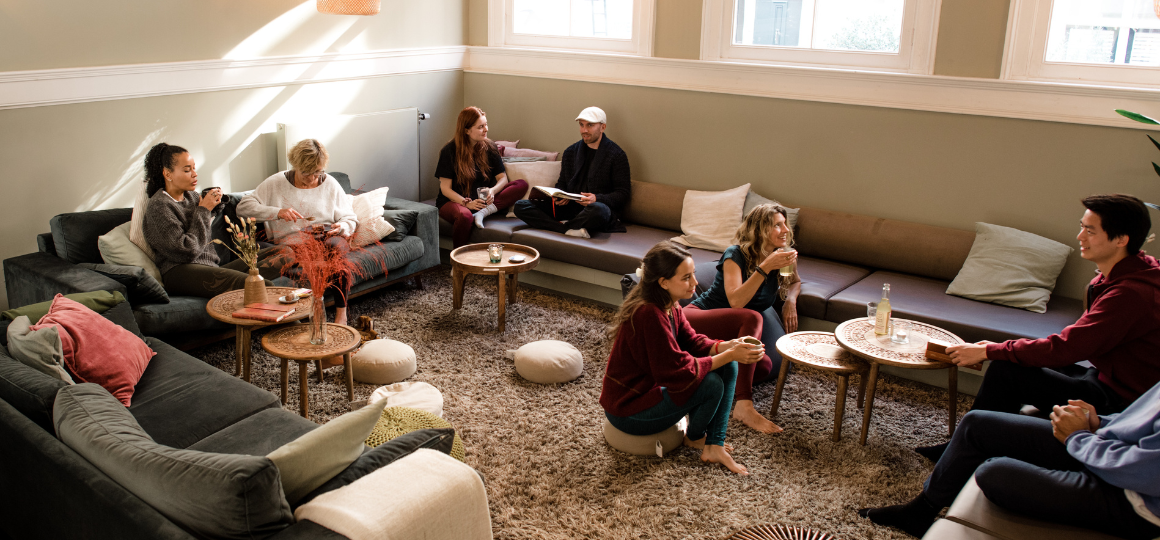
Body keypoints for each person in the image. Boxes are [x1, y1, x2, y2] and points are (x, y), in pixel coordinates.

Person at [918, 194, 1160, 461]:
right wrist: (997, 350)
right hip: (1103, 377)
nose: (1080, 236)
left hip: (1119, 401)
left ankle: (965, 450)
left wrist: (991, 351)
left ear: (1121, 239)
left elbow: (1068, 347)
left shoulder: (1131, 295)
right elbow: (1076, 341)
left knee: (1005, 370)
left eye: (1090, 231)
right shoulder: (1132, 271)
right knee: (1010, 364)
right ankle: (972, 444)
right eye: (1082, 226)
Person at [858, 380, 1160, 540]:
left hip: (1132, 501)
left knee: (992, 472)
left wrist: (1077, 439)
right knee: (977, 425)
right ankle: (920, 512)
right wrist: (1099, 423)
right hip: (1105, 451)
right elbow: (1140, 422)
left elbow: (1147, 472)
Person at [600, 240, 766, 475]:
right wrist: (729, 353)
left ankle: (713, 445)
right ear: (663, 282)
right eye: (686, 277)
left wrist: (727, 346)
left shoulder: (670, 304)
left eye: (693, 274)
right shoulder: (648, 314)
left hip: (648, 393)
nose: (695, 283)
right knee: (711, 383)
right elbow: (678, 372)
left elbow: (693, 341)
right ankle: (698, 438)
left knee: (729, 366)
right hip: (628, 410)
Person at [687, 204, 800, 434]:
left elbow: (795, 282)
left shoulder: (783, 257)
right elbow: (736, 301)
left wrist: (790, 301)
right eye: (777, 225)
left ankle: (700, 375)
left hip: (731, 333)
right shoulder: (735, 254)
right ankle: (744, 405)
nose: (785, 229)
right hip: (699, 317)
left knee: (764, 365)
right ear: (760, 230)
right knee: (753, 317)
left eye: (785, 223)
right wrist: (765, 267)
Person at [237, 139, 357, 327]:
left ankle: (341, 315)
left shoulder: (330, 184)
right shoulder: (276, 182)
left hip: (326, 238)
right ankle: (310, 306)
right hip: (292, 243)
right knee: (313, 260)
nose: (312, 178)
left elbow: (350, 218)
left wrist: (340, 227)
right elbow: (243, 208)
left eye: (317, 172)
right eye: (306, 173)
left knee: (337, 252)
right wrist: (277, 212)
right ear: (295, 166)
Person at [141, 143, 282, 299]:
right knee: (262, 286)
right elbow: (187, 251)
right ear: (168, 174)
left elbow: (200, 224)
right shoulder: (159, 206)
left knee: (283, 253)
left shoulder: (192, 196)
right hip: (180, 272)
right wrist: (204, 209)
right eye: (187, 170)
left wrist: (215, 203)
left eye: (194, 168)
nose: (194, 174)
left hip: (210, 267)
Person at [513, 106, 630, 239]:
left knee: (599, 210)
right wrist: (559, 195)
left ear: (602, 127)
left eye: (590, 125)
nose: (584, 130)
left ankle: (561, 227)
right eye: (581, 125)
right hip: (569, 208)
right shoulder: (570, 152)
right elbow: (562, 183)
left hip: (593, 210)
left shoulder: (616, 155)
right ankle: (568, 229)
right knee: (520, 206)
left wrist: (596, 198)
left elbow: (623, 193)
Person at [435, 106, 528, 248]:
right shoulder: (449, 151)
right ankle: (458, 263)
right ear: (466, 130)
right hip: (455, 201)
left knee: (521, 184)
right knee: (465, 216)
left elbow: (502, 179)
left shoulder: (490, 147)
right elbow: (445, 189)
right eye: (480, 127)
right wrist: (465, 203)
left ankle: (482, 213)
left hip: (483, 201)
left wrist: (492, 191)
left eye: (486, 125)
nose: (486, 129)